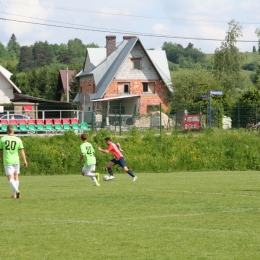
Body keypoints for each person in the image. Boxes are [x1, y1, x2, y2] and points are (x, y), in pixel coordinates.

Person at [0, 124, 28, 198]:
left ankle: (17, 190)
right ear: (13, 131)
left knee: (10, 178)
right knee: (16, 177)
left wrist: (1, 159)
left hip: (7, 160)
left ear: (6, 131)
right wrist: (25, 160)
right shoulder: (18, 139)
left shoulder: (2, 139)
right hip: (16, 160)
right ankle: (14, 194)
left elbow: (1, 151)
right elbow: (22, 151)